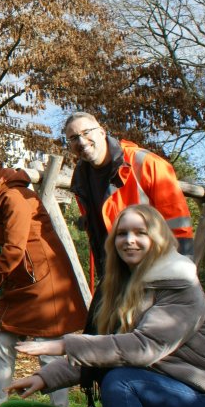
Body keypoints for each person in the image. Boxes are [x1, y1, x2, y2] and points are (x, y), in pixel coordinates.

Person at [8, 204, 205, 407]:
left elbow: (143, 347)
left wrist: (65, 344)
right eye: (122, 233)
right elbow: (108, 351)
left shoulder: (180, 286)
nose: (129, 240)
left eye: (140, 232)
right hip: (172, 396)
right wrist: (45, 377)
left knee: (123, 381)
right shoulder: (121, 288)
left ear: (157, 238)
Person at [0, 147, 87, 407]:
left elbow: (15, 249)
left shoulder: (13, 196)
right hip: (24, 278)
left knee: (48, 349)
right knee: (1, 339)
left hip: (44, 280)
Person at [64, 112, 193, 281]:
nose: (81, 141)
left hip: (155, 269)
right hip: (113, 274)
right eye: (73, 138)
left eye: (86, 132)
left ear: (102, 132)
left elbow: (178, 223)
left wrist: (182, 275)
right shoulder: (80, 178)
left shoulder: (147, 163)